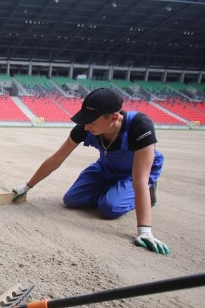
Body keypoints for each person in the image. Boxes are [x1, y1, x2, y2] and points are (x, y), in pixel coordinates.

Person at [12, 87, 170, 255]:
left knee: (109, 207)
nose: (86, 127)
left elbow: (140, 179)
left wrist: (144, 231)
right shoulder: (85, 127)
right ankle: (114, 189)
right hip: (107, 167)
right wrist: (27, 187)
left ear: (114, 117)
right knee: (71, 199)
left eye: (92, 122)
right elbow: (56, 159)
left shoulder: (140, 126)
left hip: (135, 173)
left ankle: (142, 194)